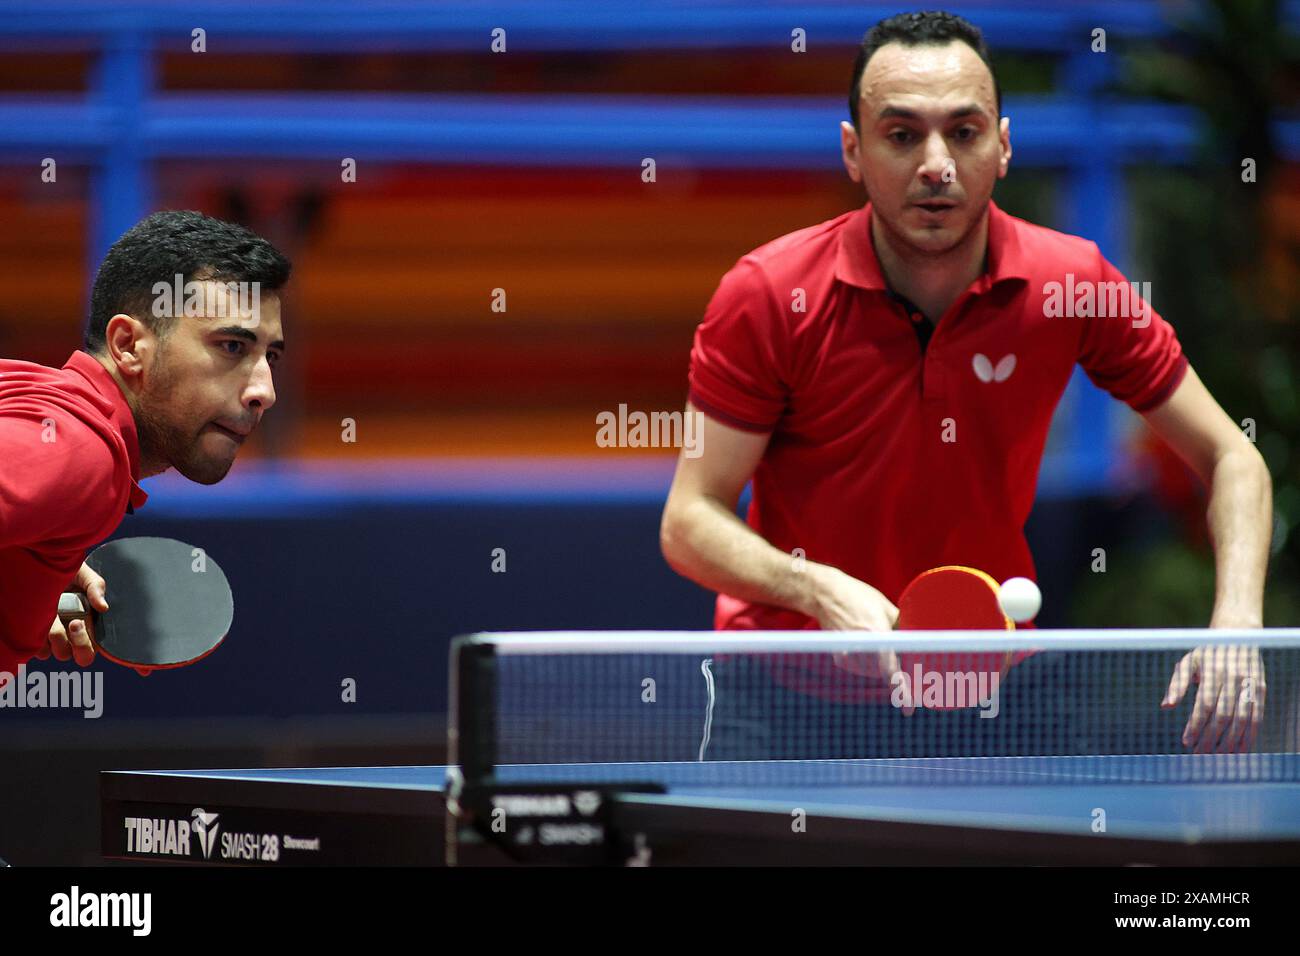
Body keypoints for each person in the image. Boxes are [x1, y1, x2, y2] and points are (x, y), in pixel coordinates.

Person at [660, 11, 1272, 758]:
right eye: (902, 134)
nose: (937, 164)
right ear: (853, 152)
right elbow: (690, 518)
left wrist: (1239, 626)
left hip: (997, 685)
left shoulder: (1071, 284)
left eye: (965, 131)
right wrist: (815, 589)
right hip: (790, 690)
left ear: (1004, 146)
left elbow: (1232, 458)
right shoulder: (768, 293)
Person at [0, 210, 291, 680]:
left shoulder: (37, 405)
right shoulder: (81, 454)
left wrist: (24, 582)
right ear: (128, 345)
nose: (265, 390)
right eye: (232, 348)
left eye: (270, 355)